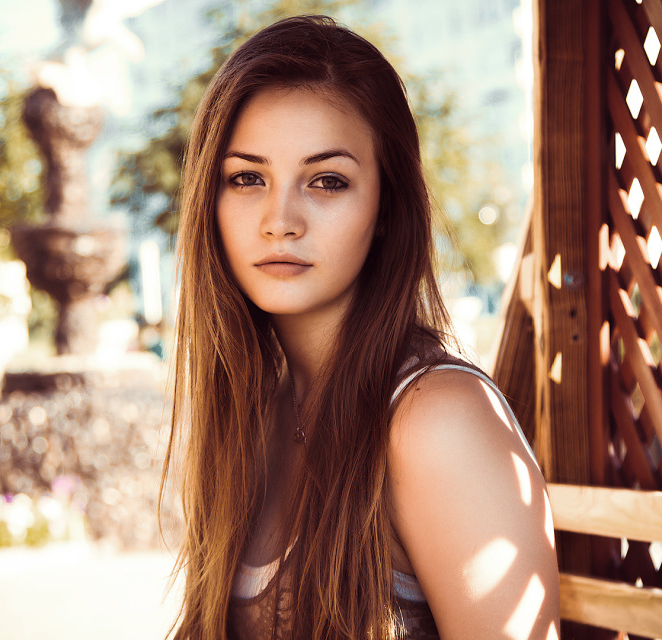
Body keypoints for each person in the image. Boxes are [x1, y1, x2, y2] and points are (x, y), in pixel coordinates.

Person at [161, 14, 560, 640]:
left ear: (385, 209)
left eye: (327, 181)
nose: (279, 219)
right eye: (246, 178)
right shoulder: (256, 408)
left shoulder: (436, 419)